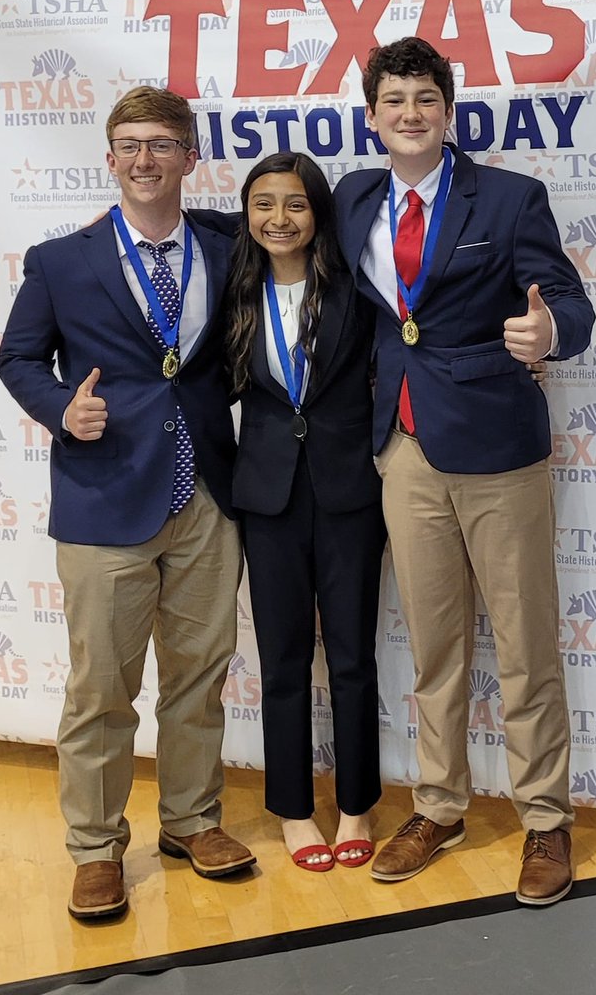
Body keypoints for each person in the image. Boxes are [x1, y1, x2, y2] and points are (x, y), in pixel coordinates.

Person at [333, 37, 595, 905]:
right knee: (434, 646)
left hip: (495, 447)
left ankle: (546, 821)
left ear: (448, 111)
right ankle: (439, 804)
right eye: (394, 100)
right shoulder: (353, 197)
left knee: (524, 647)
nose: (409, 113)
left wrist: (546, 333)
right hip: (402, 449)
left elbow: (567, 301)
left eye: (425, 98)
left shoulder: (512, 197)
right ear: (371, 116)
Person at [0, 86, 255, 922]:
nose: (145, 159)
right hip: (104, 498)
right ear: (111, 158)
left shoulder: (226, 239)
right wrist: (61, 409)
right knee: (102, 690)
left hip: (208, 494)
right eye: (129, 144)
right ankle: (96, 849)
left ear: (190, 157)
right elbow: (18, 357)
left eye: (163, 144)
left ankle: (189, 821)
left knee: (198, 681)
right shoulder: (59, 261)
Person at [224, 152, 386, 871]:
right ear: (246, 213)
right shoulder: (232, 288)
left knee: (352, 657)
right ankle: (292, 810)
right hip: (268, 496)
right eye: (263, 204)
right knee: (282, 659)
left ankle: (357, 804)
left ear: (317, 213)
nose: (277, 219)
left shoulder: (355, 289)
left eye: (294, 204)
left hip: (350, 491)